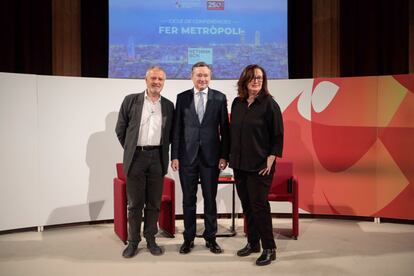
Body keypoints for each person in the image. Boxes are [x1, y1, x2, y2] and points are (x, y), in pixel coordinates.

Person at [171, 61, 230, 254]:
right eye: (198, 75)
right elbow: (176, 129)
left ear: (210, 77)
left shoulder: (220, 98)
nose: (202, 78)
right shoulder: (182, 98)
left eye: (205, 75)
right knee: (188, 200)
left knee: (210, 199)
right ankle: (188, 239)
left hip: (211, 158)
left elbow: (225, 131)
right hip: (186, 157)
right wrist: (175, 156)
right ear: (192, 77)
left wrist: (224, 155)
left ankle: (211, 238)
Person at [115, 66, 174, 258]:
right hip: (136, 158)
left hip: (157, 157)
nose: (157, 82)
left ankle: (151, 239)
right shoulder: (131, 100)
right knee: (134, 204)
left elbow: (170, 134)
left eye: (160, 79)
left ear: (164, 82)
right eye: (153, 78)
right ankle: (133, 241)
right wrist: (132, 148)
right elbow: (120, 129)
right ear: (146, 79)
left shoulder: (168, 105)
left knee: (154, 202)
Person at [229, 64, 284, 266]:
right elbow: (234, 133)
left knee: (260, 206)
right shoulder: (237, 103)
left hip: (261, 165)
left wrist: (271, 158)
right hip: (240, 164)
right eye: (252, 78)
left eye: (260, 78)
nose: (256, 81)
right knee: (247, 206)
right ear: (244, 80)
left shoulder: (270, 104)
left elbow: (277, 135)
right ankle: (253, 243)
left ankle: (270, 248)